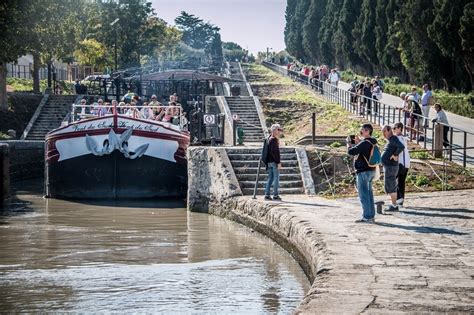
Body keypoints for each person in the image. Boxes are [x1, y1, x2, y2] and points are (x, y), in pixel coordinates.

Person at [347, 124, 378, 223]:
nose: (360, 133)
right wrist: (358, 143)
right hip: (371, 170)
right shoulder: (372, 141)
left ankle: (367, 216)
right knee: (369, 194)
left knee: (363, 195)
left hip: (363, 171)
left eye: (362, 131)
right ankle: (371, 216)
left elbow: (351, 152)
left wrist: (349, 144)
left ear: (367, 131)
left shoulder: (364, 143)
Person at [381, 125, 405, 211]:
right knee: (390, 184)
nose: (383, 134)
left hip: (391, 166)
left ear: (389, 130)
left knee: (391, 185)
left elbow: (401, 146)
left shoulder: (394, 139)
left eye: (384, 132)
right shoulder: (391, 140)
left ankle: (394, 205)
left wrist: (395, 154)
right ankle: (393, 204)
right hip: (389, 166)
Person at [264, 124, 283, 201]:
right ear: (274, 130)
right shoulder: (273, 140)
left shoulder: (269, 138)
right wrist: (278, 162)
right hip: (274, 162)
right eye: (278, 130)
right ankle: (275, 195)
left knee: (270, 178)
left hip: (269, 162)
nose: (279, 132)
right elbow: (274, 152)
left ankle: (267, 194)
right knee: (276, 178)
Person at [393, 122, 410, 206]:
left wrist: (393, 155)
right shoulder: (404, 138)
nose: (393, 130)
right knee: (401, 183)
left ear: (399, 128)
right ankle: (400, 200)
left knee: (394, 181)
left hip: (400, 164)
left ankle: (398, 200)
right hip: (406, 163)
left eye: (394, 128)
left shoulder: (398, 139)